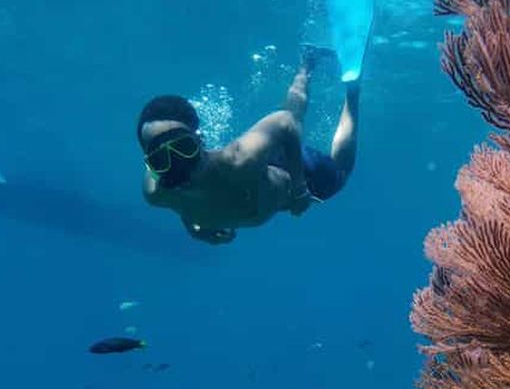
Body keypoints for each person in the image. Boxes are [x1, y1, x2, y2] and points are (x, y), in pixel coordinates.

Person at [136, 47, 360, 244]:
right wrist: (194, 230)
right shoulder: (158, 192)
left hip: (291, 172)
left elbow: (285, 122)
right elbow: (180, 194)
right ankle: (308, 62)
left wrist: (300, 189)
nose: (177, 166)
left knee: (339, 168)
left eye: (184, 148)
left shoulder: (240, 159)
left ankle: (349, 87)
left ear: (199, 140)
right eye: (160, 160)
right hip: (260, 186)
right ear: (151, 164)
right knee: (287, 123)